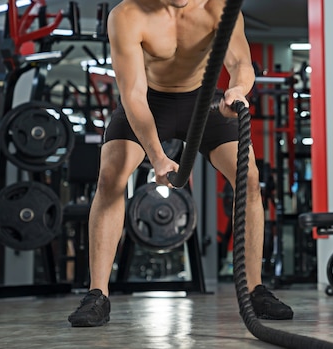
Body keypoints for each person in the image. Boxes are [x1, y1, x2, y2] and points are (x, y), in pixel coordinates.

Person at [68, 0, 293, 327]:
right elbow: (133, 93)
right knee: (110, 178)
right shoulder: (127, 15)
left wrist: (237, 91)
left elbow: (241, 62)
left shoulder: (219, 8)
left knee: (249, 180)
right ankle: (97, 295)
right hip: (148, 101)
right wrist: (157, 157)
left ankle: (255, 289)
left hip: (204, 100)